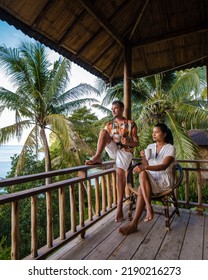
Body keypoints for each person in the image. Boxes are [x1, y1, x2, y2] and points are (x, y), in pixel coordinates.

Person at [85, 100, 139, 222]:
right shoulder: (109, 124)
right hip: (114, 150)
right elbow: (104, 138)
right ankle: (98, 156)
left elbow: (137, 142)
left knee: (120, 172)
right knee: (103, 132)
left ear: (122, 109)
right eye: (112, 108)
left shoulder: (131, 124)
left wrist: (128, 142)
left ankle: (119, 206)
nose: (113, 110)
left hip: (126, 151)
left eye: (116, 108)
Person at [119, 123, 176, 235]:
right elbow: (146, 164)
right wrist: (144, 158)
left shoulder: (170, 148)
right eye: (153, 132)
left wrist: (144, 167)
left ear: (164, 134)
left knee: (142, 181)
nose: (153, 134)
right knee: (143, 175)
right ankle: (139, 218)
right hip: (150, 179)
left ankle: (145, 212)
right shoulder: (150, 147)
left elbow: (164, 166)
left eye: (156, 132)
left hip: (163, 181)